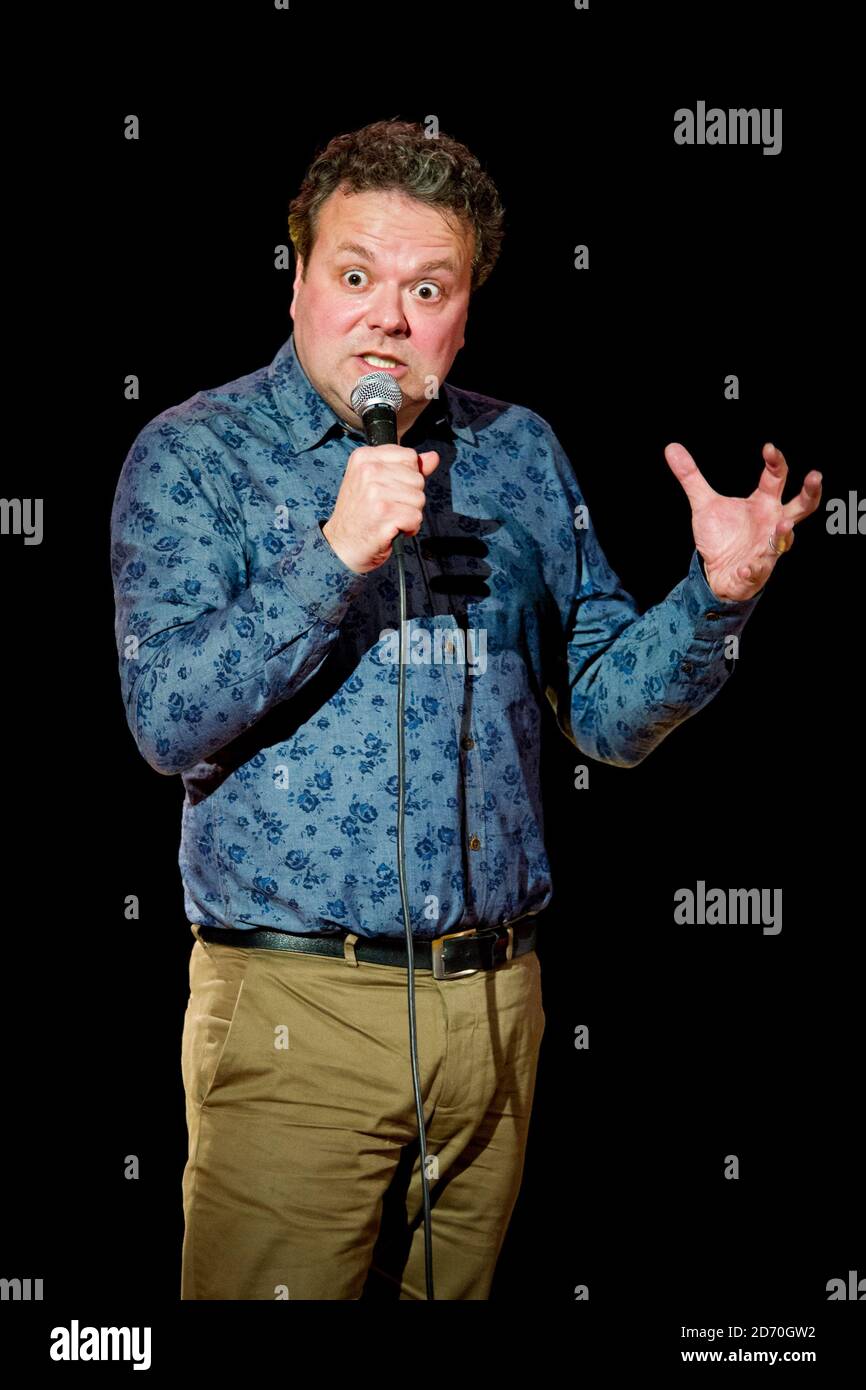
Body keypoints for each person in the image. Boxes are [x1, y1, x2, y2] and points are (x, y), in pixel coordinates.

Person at [109, 119, 822, 1301]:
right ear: (297, 281)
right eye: (354, 276)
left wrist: (714, 597)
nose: (387, 315)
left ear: (462, 309)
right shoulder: (194, 456)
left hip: (496, 1010)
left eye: (425, 288)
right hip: (297, 1008)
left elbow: (600, 710)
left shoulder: (519, 452)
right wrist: (332, 555)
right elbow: (165, 718)